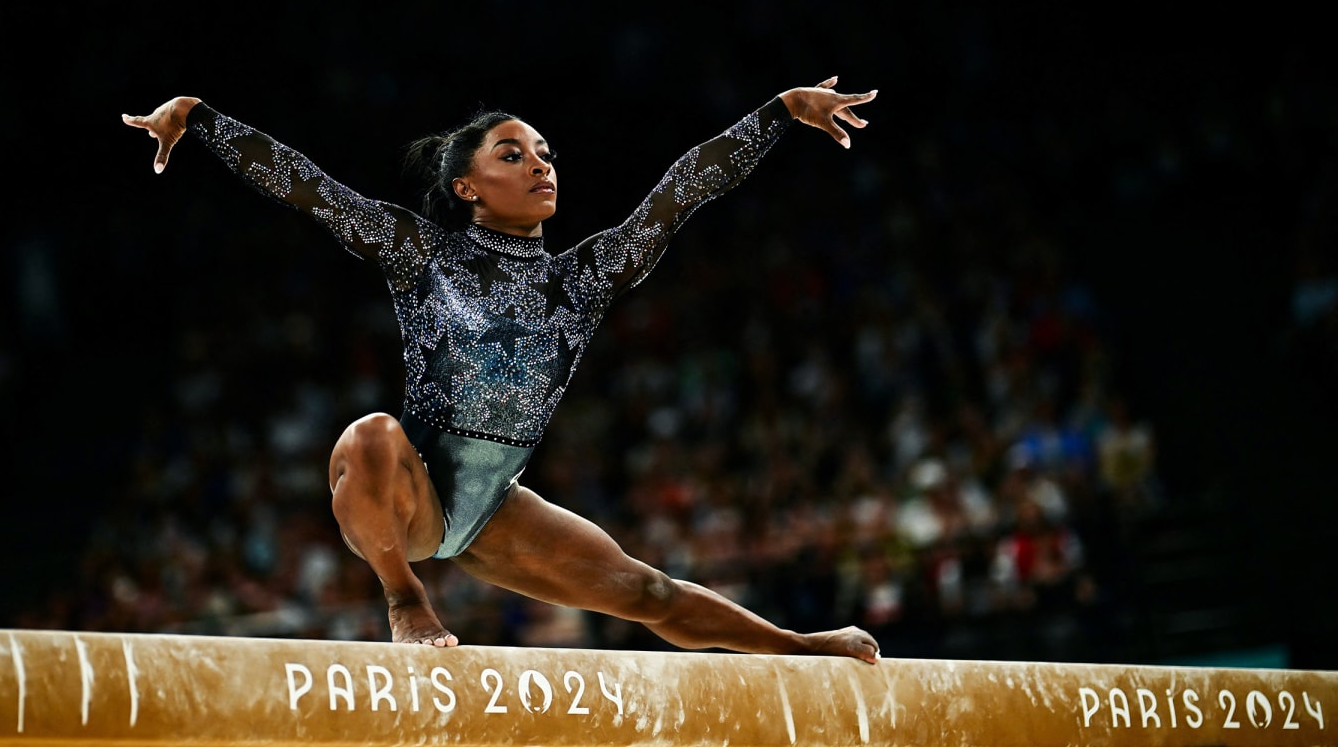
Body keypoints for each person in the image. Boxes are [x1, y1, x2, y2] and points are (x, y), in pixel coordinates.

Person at [122, 78, 882, 661]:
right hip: (406, 496)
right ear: (466, 187)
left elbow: (678, 195)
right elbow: (312, 190)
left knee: (649, 591)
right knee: (370, 434)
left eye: (545, 153)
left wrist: (780, 111)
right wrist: (199, 117)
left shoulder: (585, 277)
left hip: (492, 508)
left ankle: (799, 648)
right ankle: (403, 599)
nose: (539, 165)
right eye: (512, 155)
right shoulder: (423, 253)